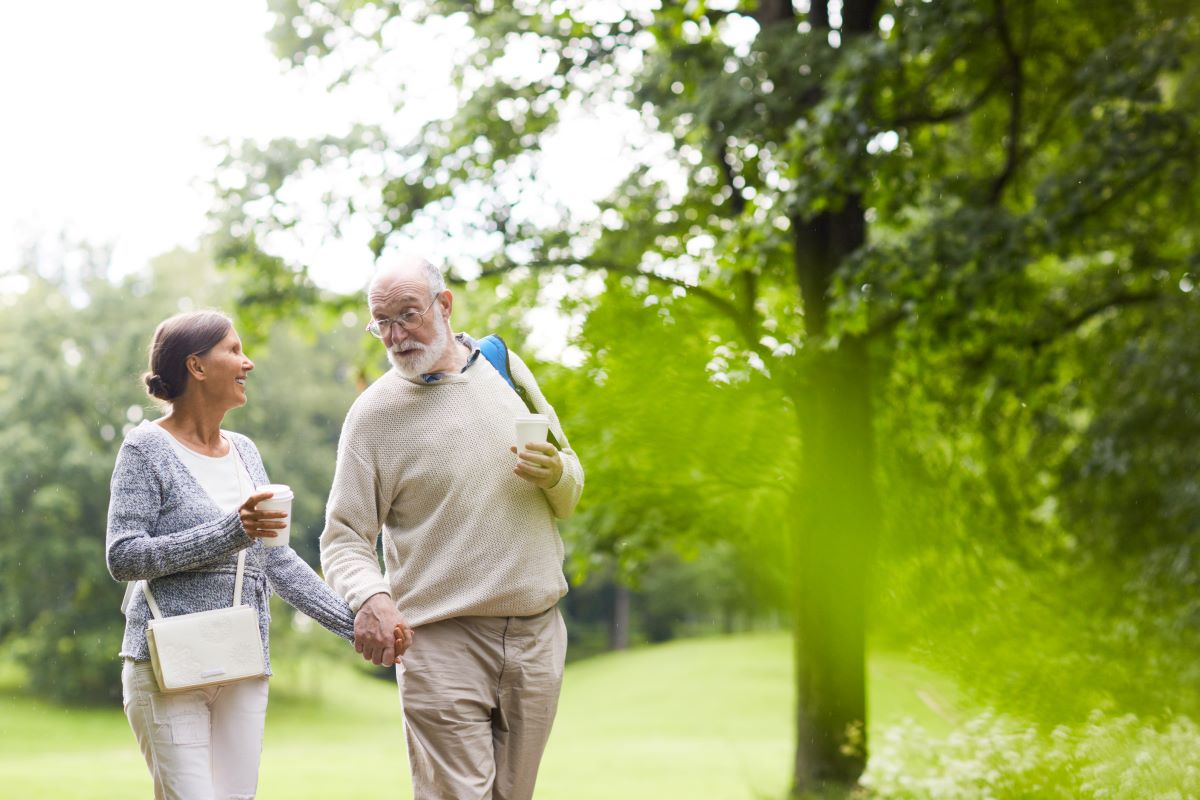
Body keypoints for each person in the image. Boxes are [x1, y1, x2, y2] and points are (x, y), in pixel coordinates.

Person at [106, 310, 409, 800]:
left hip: (241, 659)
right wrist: (231, 531)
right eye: (234, 350)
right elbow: (123, 557)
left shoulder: (245, 451)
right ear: (197, 366)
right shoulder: (145, 449)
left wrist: (351, 623)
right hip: (166, 665)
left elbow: (276, 560)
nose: (247, 363)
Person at [320, 253, 584, 800]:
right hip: (440, 639)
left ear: (444, 305)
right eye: (382, 323)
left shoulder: (504, 366)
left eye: (408, 316)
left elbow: (572, 481)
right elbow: (344, 536)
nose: (395, 336)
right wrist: (370, 596)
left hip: (537, 634)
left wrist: (557, 473)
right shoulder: (373, 416)